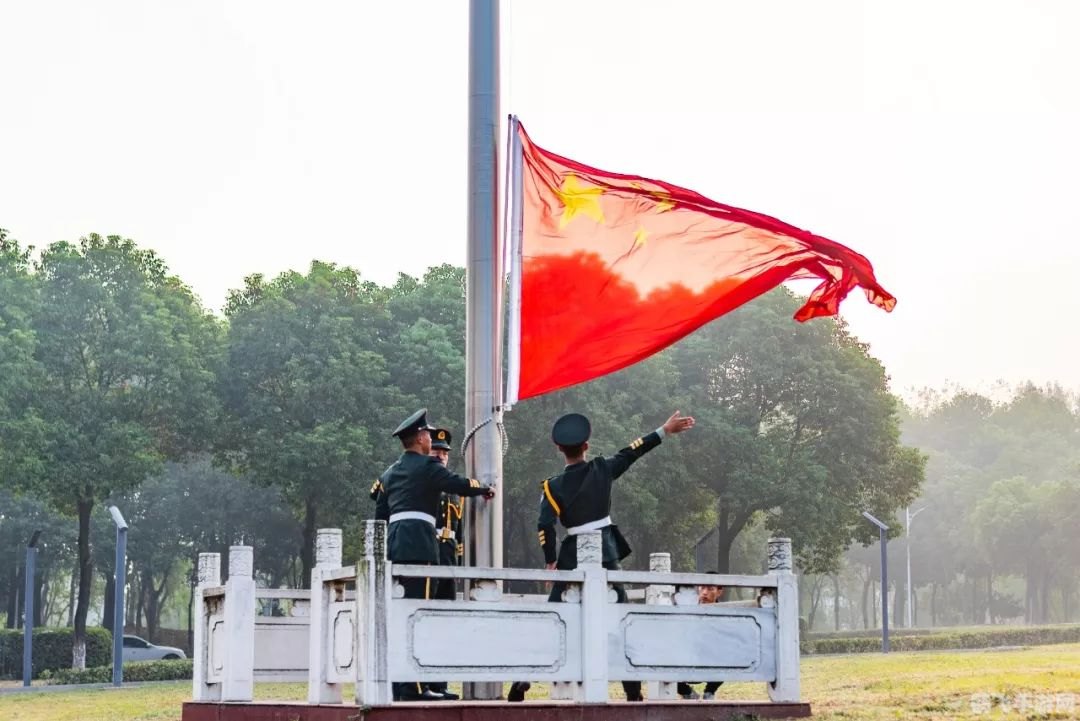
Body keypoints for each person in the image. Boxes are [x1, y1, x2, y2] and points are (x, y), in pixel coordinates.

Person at [507, 410, 695, 703]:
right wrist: (664, 430)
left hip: (570, 557)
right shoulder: (602, 469)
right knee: (621, 618)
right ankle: (632, 690)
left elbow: (544, 525)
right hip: (606, 553)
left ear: (559, 449)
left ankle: (521, 681)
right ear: (586, 445)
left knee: (553, 616)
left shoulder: (552, 486)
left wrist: (550, 559)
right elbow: (632, 451)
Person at [378, 408, 496, 702]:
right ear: (420, 438)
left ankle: (401, 685)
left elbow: (380, 515)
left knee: (403, 614)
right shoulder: (429, 468)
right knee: (421, 615)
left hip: (394, 547)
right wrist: (484, 487)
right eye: (428, 435)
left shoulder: (390, 473)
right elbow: (457, 483)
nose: (430, 440)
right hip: (420, 547)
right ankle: (415, 687)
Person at [426, 427, 462, 701]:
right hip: (428, 552)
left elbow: (458, 530)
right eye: (436, 450)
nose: (441, 455)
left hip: (448, 555)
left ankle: (439, 683)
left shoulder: (453, 491)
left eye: (444, 452)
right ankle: (423, 683)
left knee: (445, 623)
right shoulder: (426, 480)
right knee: (425, 620)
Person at [677, 574, 726, 700]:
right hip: (685, 657)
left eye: (710, 589)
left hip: (711, 659)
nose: (704, 593)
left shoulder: (726, 613)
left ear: (719, 592)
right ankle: (686, 692)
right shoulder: (684, 607)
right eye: (702, 587)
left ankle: (710, 691)